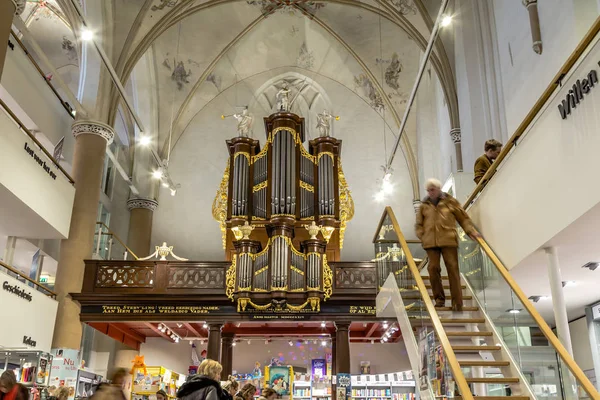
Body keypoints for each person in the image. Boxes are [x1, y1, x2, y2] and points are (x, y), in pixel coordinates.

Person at [415, 178, 480, 311]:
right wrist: (422, 236)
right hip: (430, 243)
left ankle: (457, 303)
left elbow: (463, 218)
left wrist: (470, 231)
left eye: (432, 189)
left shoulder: (450, 202)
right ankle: (439, 300)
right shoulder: (424, 205)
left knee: (453, 269)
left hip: (448, 240)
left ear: (439, 189)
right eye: (428, 190)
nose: (430, 192)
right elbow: (418, 224)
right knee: (433, 269)